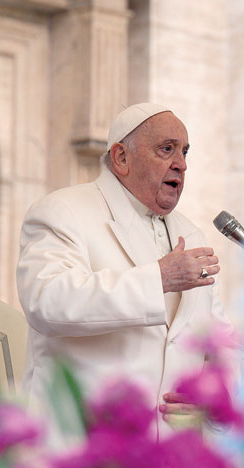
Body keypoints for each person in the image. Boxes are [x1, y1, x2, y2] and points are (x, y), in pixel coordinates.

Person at [16, 103, 229, 442]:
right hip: (82, 441)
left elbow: (216, 343)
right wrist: (158, 278)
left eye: (185, 152)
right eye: (167, 149)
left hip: (167, 451)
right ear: (121, 158)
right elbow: (47, 301)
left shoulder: (193, 235)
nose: (181, 164)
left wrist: (213, 399)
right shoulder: (63, 211)